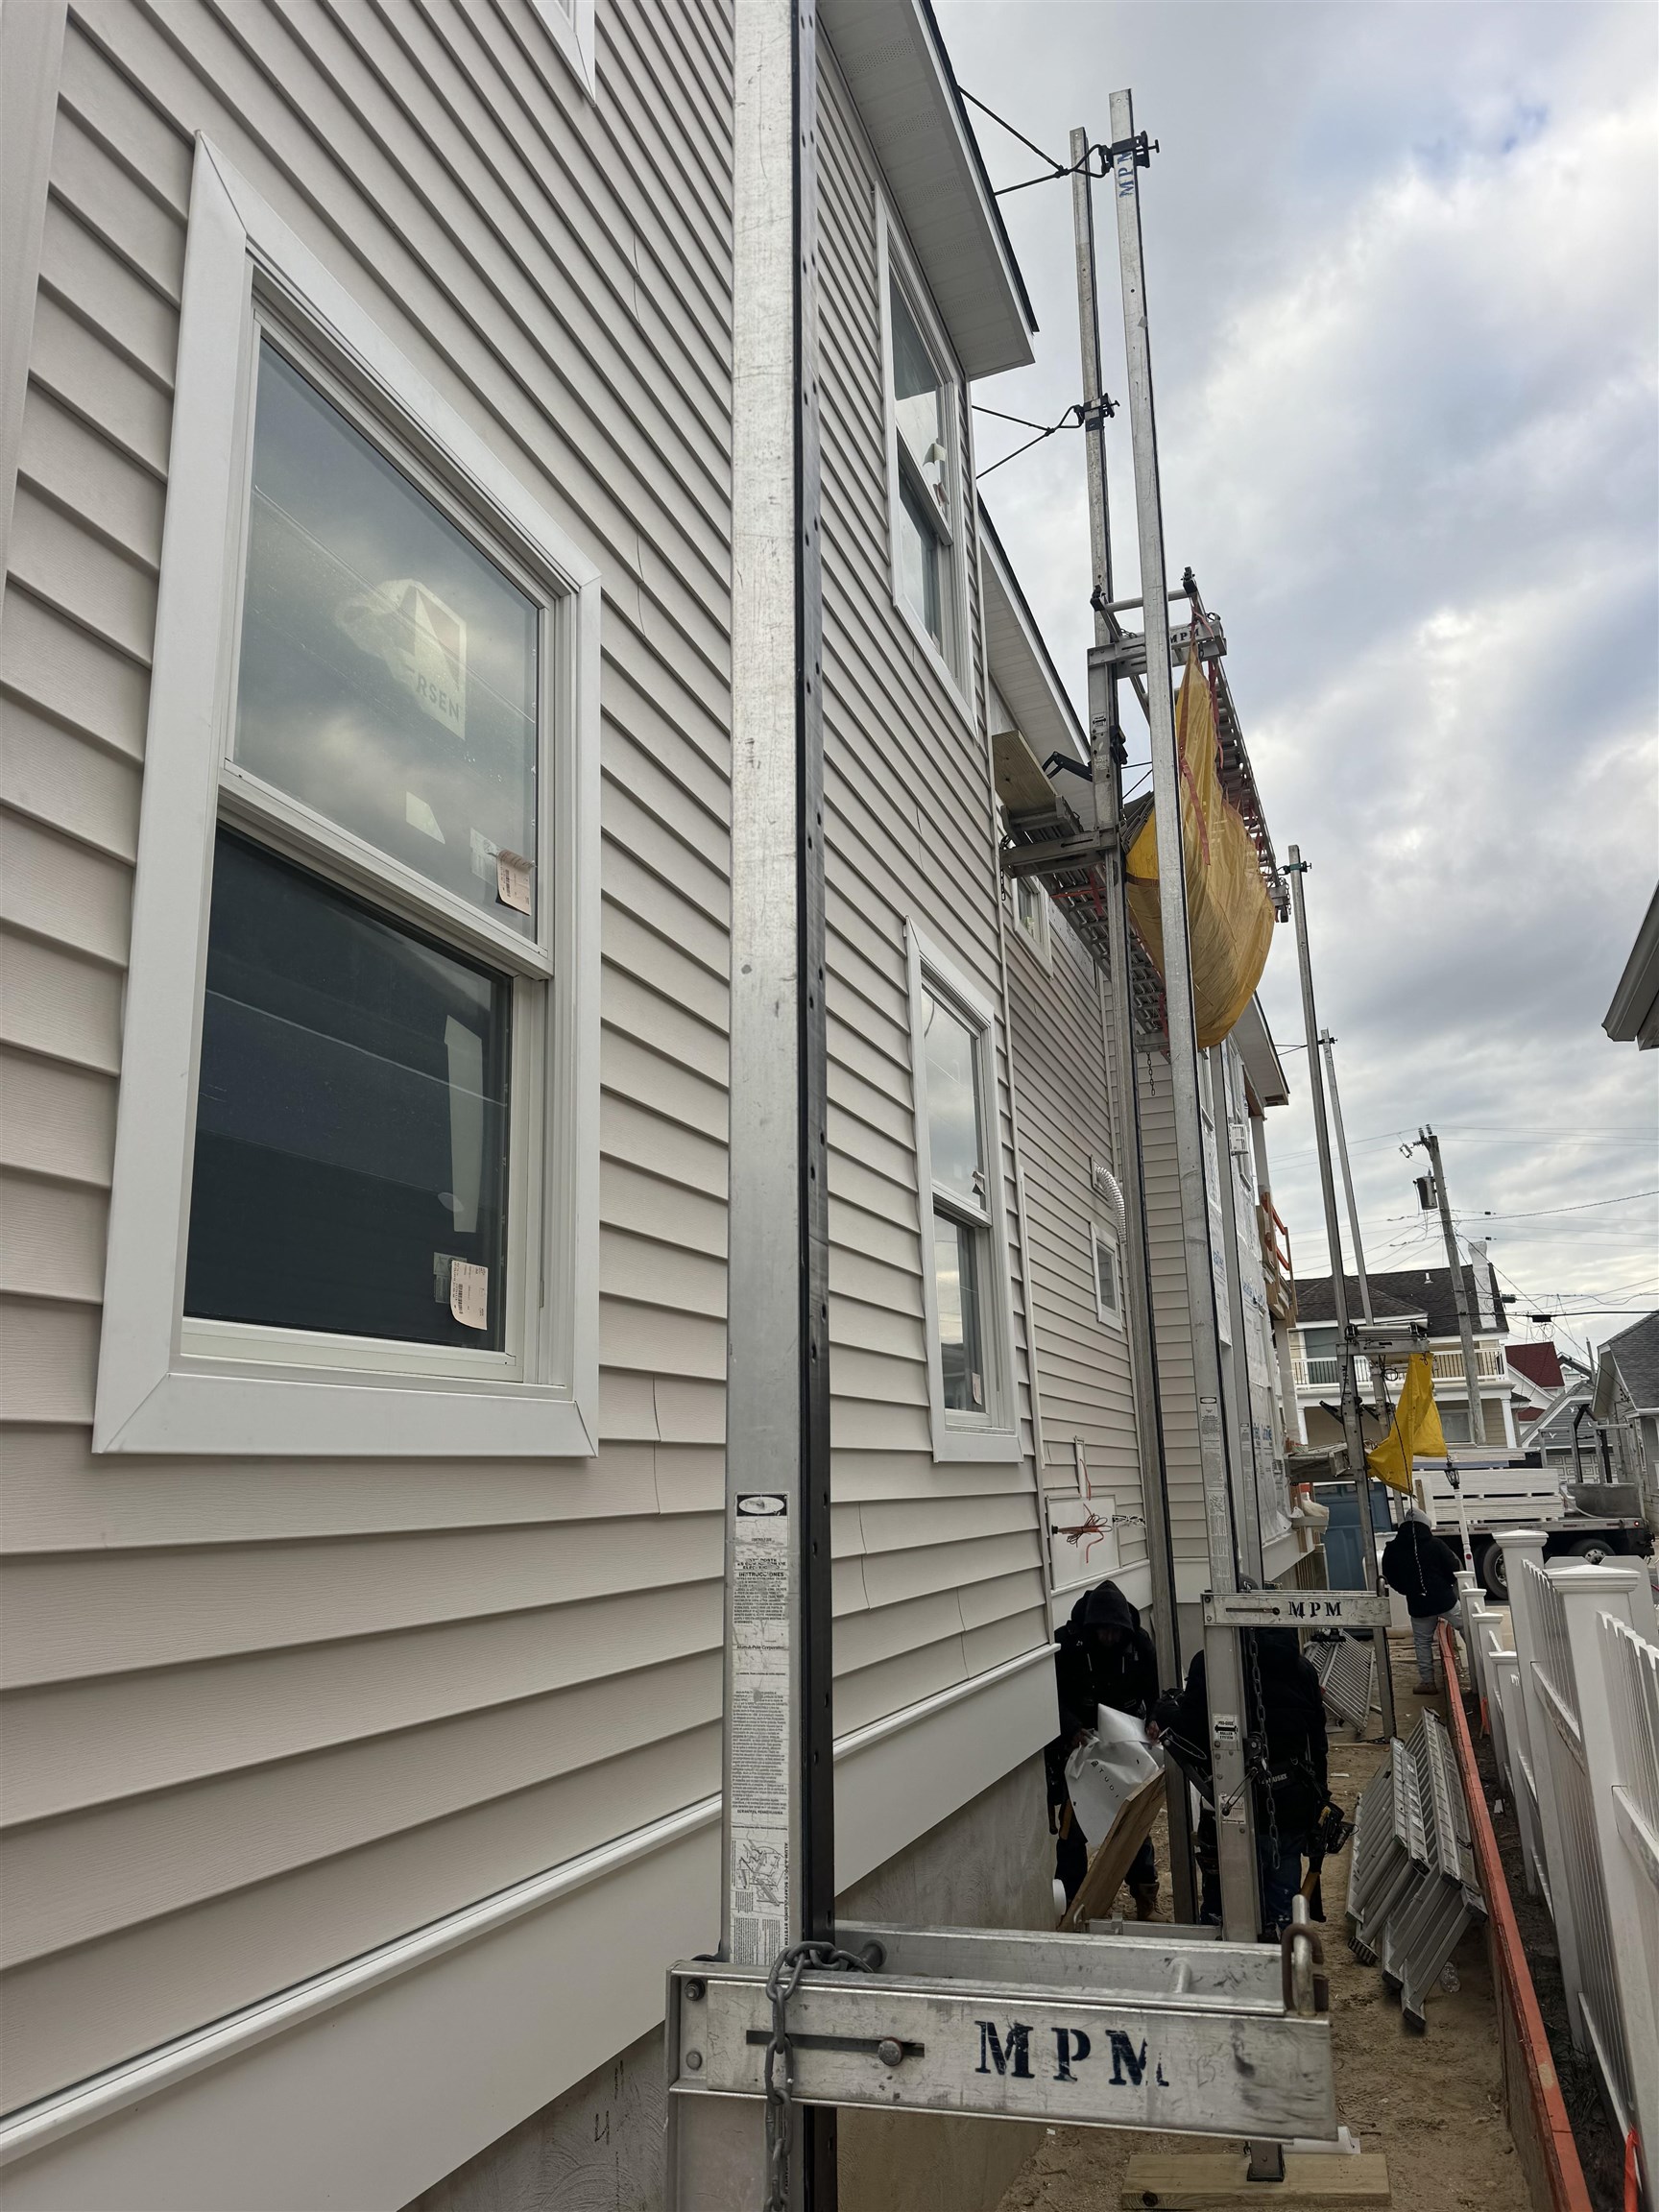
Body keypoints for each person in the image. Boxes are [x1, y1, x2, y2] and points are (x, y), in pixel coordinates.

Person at [1155, 1626, 1329, 1938]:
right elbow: (1317, 1744)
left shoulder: (1210, 1664)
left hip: (1231, 1801)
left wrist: (1165, 1709)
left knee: (1224, 1904)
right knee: (1283, 1903)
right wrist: (1319, 1801)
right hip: (1290, 1800)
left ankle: (1225, 1953)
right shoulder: (1302, 1669)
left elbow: (1192, 1730)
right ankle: (1285, 1953)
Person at [1046, 1579, 1162, 1918]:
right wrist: (1070, 1728)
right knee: (1073, 1828)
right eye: (1103, 1631)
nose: (1110, 1638)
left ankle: (1145, 1896)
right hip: (1079, 1748)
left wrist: (1154, 1719)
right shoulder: (1069, 1644)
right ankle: (1073, 1905)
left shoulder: (1138, 1644)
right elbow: (1050, 1695)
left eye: (1115, 1632)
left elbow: (1154, 1690)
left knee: (1131, 1821)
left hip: (1125, 1744)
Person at [1382, 1503, 1465, 1695]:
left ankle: (1427, 1682)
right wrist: (1445, 1585)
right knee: (1465, 1626)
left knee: (1422, 1642)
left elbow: (1390, 1576)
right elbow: (1453, 1567)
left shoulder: (1392, 1549)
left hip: (1418, 1603)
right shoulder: (1436, 1544)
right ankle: (1480, 1660)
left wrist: (1408, 1590)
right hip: (1444, 1599)